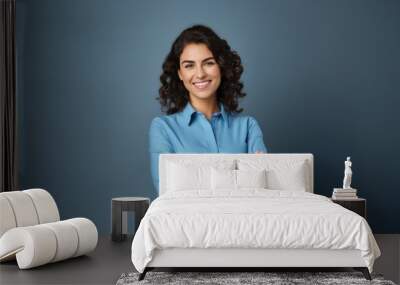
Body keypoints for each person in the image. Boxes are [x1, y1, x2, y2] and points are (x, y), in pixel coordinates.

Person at [149, 25, 267, 192]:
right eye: (189, 65)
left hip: (243, 217)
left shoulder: (248, 127)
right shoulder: (163, 128)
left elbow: (260, 189)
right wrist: (239, 179)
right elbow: (168, 193)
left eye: (208, 63)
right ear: (180, 74)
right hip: (187, 218)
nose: (200, 74)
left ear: (221, 66)